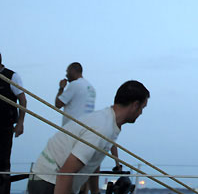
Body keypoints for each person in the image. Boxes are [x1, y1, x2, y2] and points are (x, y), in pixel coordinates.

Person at [28, 80, 149, 194]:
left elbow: (92, 161)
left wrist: (95, 191)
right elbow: (66, 172)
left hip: (47, 179)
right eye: (142, 108)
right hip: (48, 181)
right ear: (135, 105)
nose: (141, 113)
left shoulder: (108, 121)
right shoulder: (103, 128)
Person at [0, 52, 27, 194]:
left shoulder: (12, 76)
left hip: (5, 126)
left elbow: (22, 100)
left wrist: (20, 123)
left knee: (3, 161)